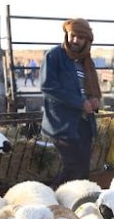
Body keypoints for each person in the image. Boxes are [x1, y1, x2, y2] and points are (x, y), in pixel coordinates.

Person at [40, 18, 102, 188]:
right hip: (62, 122)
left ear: (87, 41)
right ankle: (51, 200)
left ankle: (74, 202)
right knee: (74, 166)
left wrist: (94, 100)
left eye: (80, 38)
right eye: (72, 36)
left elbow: (90, 89)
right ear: (67, 34)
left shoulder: (86, 60)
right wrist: (80, 103)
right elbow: (48, 86)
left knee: (82, 169)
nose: (75, 40)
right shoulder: (54, 56)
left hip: (83, 121)